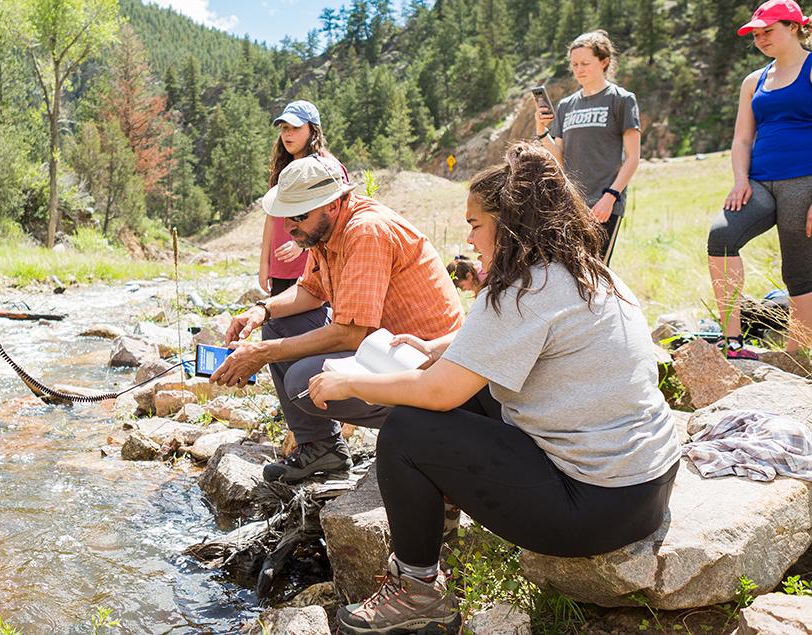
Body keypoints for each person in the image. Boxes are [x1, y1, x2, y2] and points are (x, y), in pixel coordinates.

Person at [307, 144, 679, 635]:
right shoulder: (590, 273)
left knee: (405, 431)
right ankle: (437, 530)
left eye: (475, 224)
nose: (469, 237)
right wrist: (445, 345)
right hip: (648, 488)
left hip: (594, 510)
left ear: (509, 224)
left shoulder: (519, 290)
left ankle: (418, 591)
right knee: (474, 391)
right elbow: (528, 338)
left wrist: (352, 381)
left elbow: (438, 394)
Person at [209, 155, 469, 485]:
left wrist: (262, 354)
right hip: (384, 348)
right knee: (277, 324)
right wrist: (262, 309)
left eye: (299, 216)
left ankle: (421, 424)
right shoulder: (323, 231)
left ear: (332, 204)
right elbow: (311, 292)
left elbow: (351, 334)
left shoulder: (366, 232)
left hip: (426, 362)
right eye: (287, 217)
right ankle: (322, 449)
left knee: (303, 382)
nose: (291, 227)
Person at [707, 0, 812, 360]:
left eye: (769, 30)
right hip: (759, 183)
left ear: (794, 27)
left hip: (805, 183)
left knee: (798, 270)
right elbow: (741, 139)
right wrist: (740, 179)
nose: (761, 39)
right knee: (721, 236)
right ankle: (733, 343)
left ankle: (797, 355)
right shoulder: (754, 81)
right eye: (756, 34)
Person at [536, 30, 641, 265]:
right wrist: (541, 129)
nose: (579, 69)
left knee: (596, 272)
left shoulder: (621, 99)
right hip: (570, 204)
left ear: (603, 62)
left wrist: (611, 196)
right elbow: (558, 158)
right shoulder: (566, 106)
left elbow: (633, 157)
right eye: (574, 64)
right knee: (569, 272)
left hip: (604, 204)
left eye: (585, 63)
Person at [261, 100, 345, 296]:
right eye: (284, 128)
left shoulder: (328, 168)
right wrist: (265, 263)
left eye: (296, 127)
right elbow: (272, 216)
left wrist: (302, 245)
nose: (287, 134)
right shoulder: (284, 167)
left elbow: (337, 219)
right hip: (281, 264)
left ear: (313, 130)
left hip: (314, 268)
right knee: (278, 324)